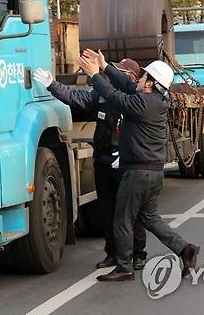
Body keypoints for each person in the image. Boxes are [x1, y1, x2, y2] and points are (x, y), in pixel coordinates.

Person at [78, 50, 199, 282]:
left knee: (122, 219)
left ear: (150, 84)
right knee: (150, 218)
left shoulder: (142, 104)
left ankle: (124, 266)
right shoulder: (156, 100)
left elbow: (116, 97)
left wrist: (94, 76)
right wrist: (104, 67)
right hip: (151, 172)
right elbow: (125, 84)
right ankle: (185, 249)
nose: (139, 79)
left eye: (144, 77)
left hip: (137, 172)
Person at [33, 59, 149, 270]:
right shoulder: (104, 96)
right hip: (104, 160)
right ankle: (113, 253)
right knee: (108, 210)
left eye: (117, 72)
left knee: (132, 211)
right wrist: (52, 84)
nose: (111, 75)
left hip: (126, 162)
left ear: (130, 77)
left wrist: (122, 154)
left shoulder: (137, 99)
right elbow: (76, 98)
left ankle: (139, 253)